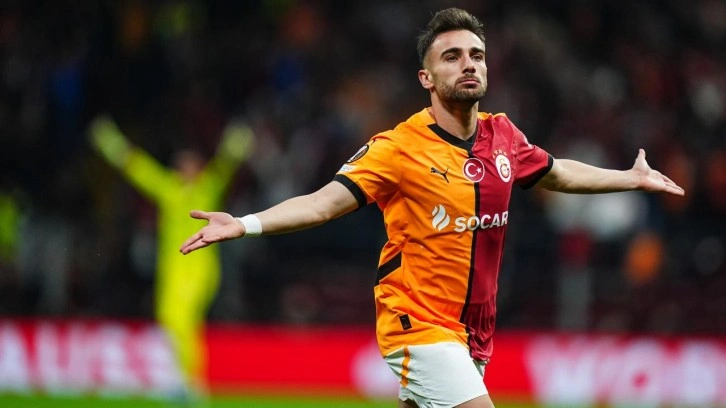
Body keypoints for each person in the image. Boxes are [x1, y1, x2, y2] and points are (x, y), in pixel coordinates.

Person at [179, 8, 684, 408]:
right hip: (416, 323)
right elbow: (323, 204)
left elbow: (557, 172)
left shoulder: (503, 135)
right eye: (452, 56)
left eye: (477, 55)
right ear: (426, 77)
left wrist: (630, 178)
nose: (469, 64)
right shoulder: (398, 147)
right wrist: (244, 224)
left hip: (473, 331)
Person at [89, 116, 254, 400]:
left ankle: (193, 383)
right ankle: (184, 381)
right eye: (181, 165)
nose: (185, 169)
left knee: (183, 323)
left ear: (198, 168)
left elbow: (225, 166)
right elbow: (138, 169)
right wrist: (110, 143)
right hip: (172, 271)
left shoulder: (206, 188)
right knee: (170, 322)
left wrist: (235, 144)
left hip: (199, 270)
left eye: (190, 165)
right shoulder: (169, 190)